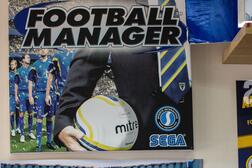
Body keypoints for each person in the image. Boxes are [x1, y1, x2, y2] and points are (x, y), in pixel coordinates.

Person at [54, 48, 193, 152]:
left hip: (204, 124)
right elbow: (90, 55)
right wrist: (64, 119)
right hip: (138, 136)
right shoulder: (117, 11)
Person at [28, 49, 56, 152]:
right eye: (41, 49)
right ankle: (38, 144)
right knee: (39, 118)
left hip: (51, 94)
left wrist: (52, 94)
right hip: (39, 94)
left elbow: (53, 79)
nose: (43, 50)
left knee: (50, 118)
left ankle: (49, 141)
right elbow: (30, 81)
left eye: (45, 48)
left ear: (48, 51)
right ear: (39, 51)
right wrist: (30, 96)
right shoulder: (35, 65)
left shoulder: (52, 64)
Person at [15, 54, 35, 143]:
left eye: (29, 57)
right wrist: (16, 95)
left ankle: (30, 132)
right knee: (21, 114)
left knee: (31, 113)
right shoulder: (18, 71)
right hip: (22, 94)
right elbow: (16, 84)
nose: (29, 59)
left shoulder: (32, 69)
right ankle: (22, 134)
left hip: (30, 94)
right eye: (27, 57)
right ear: (23, 60)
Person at [9, 59, 18, 138]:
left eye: (12, 64)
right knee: (11, 113)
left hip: (19, 95)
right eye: (10, 64)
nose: (11, 66)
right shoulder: (8, 74)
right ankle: (12, 129)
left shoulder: (19, 73)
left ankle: (18, 127)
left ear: (16, 65)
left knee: (19, 112)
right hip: (11, 95)